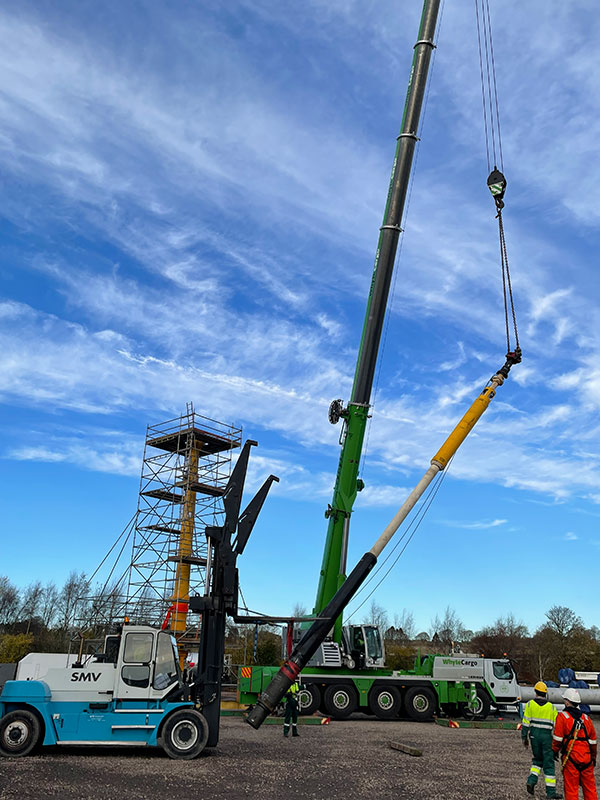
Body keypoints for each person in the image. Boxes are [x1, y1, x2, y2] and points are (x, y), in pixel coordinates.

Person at [553, 688, 597, 800]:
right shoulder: (586, 719)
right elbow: (593, 742)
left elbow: (557, 739)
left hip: (570, 758)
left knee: (571, 790)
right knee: (590, 789)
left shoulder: (562, 717)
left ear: (567, 702)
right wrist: (593, 757)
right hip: (587, 759)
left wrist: (554, 751)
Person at [522, 680, 561, 798]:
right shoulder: (551, 707)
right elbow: (558, 726)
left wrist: (524, 738)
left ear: (535, 692)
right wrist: (558, 744)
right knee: (549, 765)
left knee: (537, 760)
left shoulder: (529, 705)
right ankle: (551, 793)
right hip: (547, 738)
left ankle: (531, 780)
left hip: (534, 737)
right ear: (545, 693)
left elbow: (525, 724)